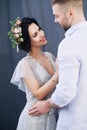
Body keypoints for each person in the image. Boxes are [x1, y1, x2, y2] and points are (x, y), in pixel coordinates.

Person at [29, 0, 87, 130]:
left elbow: (66, 92)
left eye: (57, 16)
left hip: (75, 123)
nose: (55, 20)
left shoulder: (68, 44)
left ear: (70, 13)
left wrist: (48, 104)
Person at [10, 17, 58, 130]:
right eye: (35, 35)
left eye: (40, 29)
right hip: (34, 119)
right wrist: (58, 73)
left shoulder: (50, 56)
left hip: (51, 115)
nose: (41, 34)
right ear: (27, 41)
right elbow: (38, 94)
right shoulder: (25, 64)